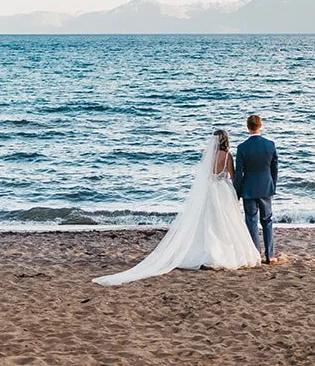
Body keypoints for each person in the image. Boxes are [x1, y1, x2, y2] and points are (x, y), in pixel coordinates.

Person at [93, 128, 260, 285]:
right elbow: (232, 174)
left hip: (210, 190)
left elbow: (206, 175)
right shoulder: (227, 156)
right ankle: (223, 253)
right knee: (225, 222)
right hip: (222, 190)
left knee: (207, 222)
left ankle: (206, 252)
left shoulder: (210, 156)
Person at [233, 113, 278, 263]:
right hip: (266, 187)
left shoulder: (242, 147)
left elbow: (239, 173)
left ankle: (255, 255)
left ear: (248, 127)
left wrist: (237, 192)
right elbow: (274, 168)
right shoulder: (270, 144)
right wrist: (273, 187)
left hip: (248, 188)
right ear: (260, 126)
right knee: (267, 220)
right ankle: (270, 256)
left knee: (251, 221)